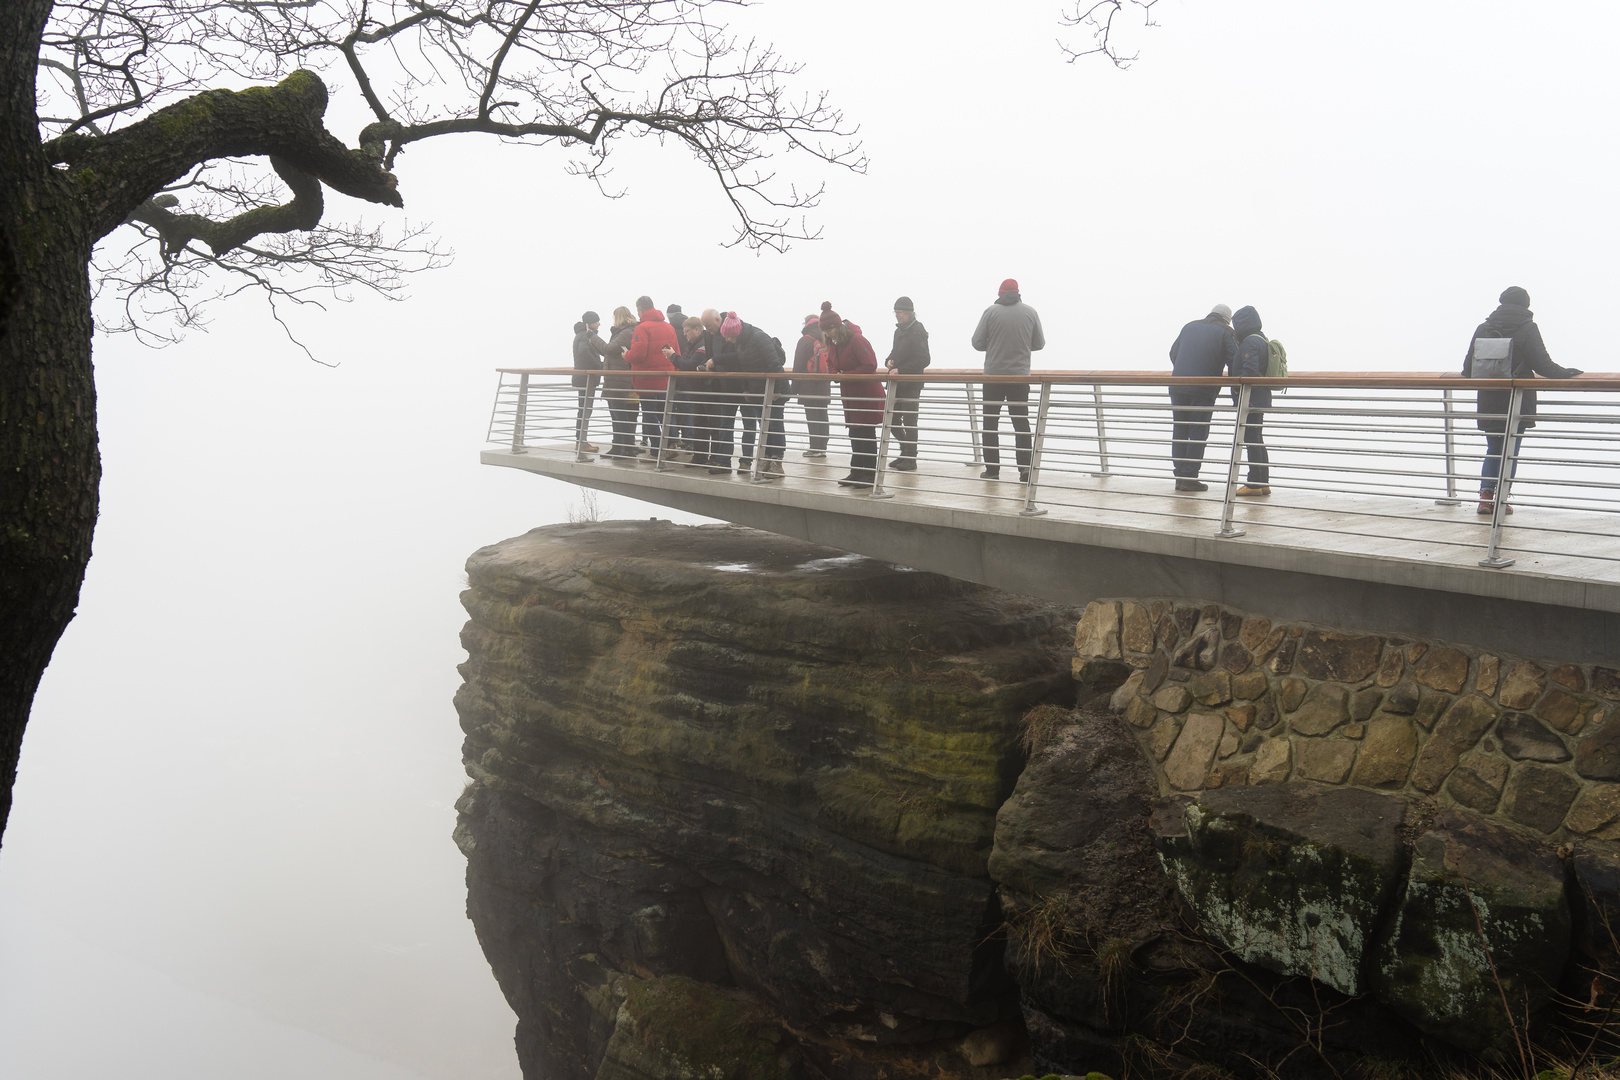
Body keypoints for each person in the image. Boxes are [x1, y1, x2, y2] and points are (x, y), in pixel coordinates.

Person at [1463, 286, 1583, 516]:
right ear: (1526, 305)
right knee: (1511, 450)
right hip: (1516, 399)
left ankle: (1485, 498)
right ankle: (1502, 500)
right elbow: (1543, 365)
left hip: (1489, 397)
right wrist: (1567, 373)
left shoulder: (1484, 328)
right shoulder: (1528, 327)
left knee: (1494, 448)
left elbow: (1467, 369)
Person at [970, 278, 1045, 482]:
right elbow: (1039, 343)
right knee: (1021, 423)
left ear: (1000, 293)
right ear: (1018, 292)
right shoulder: (1030, 312)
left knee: (990, 423)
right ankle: (1024, 469)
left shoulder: (991, 312)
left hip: (993, 376)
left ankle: (992, 470)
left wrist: (995, 344)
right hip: (1019, 376)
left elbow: (977, 342)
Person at [1167, 303, 1238, 491]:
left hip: (1178, 386)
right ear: (1227, 319)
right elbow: (1234, 362)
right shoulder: (1226, 331)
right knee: (1198, 433)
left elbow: (1173, 353)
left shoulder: (1189, 326)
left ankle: (1179, 477)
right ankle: (1189, 478)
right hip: (1203, 388)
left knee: (1180, 431)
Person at [709, 312, 787, 479]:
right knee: (764, 426)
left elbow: (775, 365)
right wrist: (746, 389)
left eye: (728, 337)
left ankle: (776, 462)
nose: (727, 340)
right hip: (758, 392)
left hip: (774, 391)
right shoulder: (741, 343)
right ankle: (767, 459)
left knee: (774, 425)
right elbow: (744, 368)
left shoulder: (759, 338)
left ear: (735, 333)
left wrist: (776, 391)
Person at [819, 301, 886, 487]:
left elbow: (870, 365)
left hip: (866, 393)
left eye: (829, 331)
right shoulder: (833, 343)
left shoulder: (857, 340)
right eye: (825, 332)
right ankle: (857, 472)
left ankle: (869, 474)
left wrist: (844, 376)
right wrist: (835, 375)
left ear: (837, 327)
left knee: (866, 433)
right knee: (855, 433)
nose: (827, 335)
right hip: (850, 393)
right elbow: (831, 363)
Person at [622, 295, 678, 456]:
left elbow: (638, 354)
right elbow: (677, 353)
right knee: (665, 414)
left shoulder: (642, 328)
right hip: (666, 378)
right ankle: (671, 444)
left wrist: (626, 355)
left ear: (640, 310)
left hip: (647, 380)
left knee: (649, 415)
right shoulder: (669, 327)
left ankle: (657, 451)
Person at [1230, 305, 1272, 496]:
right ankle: (1263, 482)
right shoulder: (1262, 339)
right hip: (1260, 396)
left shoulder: (1249, 342)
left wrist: (1240, 392)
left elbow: (1249, 370)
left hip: (1251, 398)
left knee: (1251, 439)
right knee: (1256, 439)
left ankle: (1254, 484)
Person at [884, 296, 930, 470]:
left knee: (910, 421)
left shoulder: (918, 330)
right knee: (893, 419)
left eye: (900, 312)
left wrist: (901, 370)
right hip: (897, 384)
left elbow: (924, 359)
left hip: (911, 384)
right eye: (895, 312)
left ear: (909, 313)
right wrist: (889, 361)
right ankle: (905, 451)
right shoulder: (899, 331)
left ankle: (911, 458)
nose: (897, 316)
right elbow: (894, 353)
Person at [601, 306, 640, 458]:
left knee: (620, 414)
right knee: (615, 414)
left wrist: (592, 338)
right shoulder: (624, 332)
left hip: (619, 379)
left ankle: (626, 447)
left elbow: (609, 349)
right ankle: (618, 446)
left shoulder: (626, 332)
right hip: (614, 378)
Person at [792, 314, 832, 458]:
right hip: (823, 386)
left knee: (812, 417)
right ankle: (822, 448)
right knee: (822, 415)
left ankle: (815, 448)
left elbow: (798, 366)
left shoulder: (805, 341)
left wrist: (794, 389)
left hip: (808, 386)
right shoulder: (825, 338)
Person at [571, 311, 607, 454]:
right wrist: (599, 366)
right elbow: (584, 351)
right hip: (586, 378)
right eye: (597, 321)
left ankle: (581, 441)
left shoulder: (581, 334)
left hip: (583, 377)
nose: (599, 323)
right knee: (585, 410)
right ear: (590, 323)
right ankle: (581, 442)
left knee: (584, 410)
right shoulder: (586, 335)